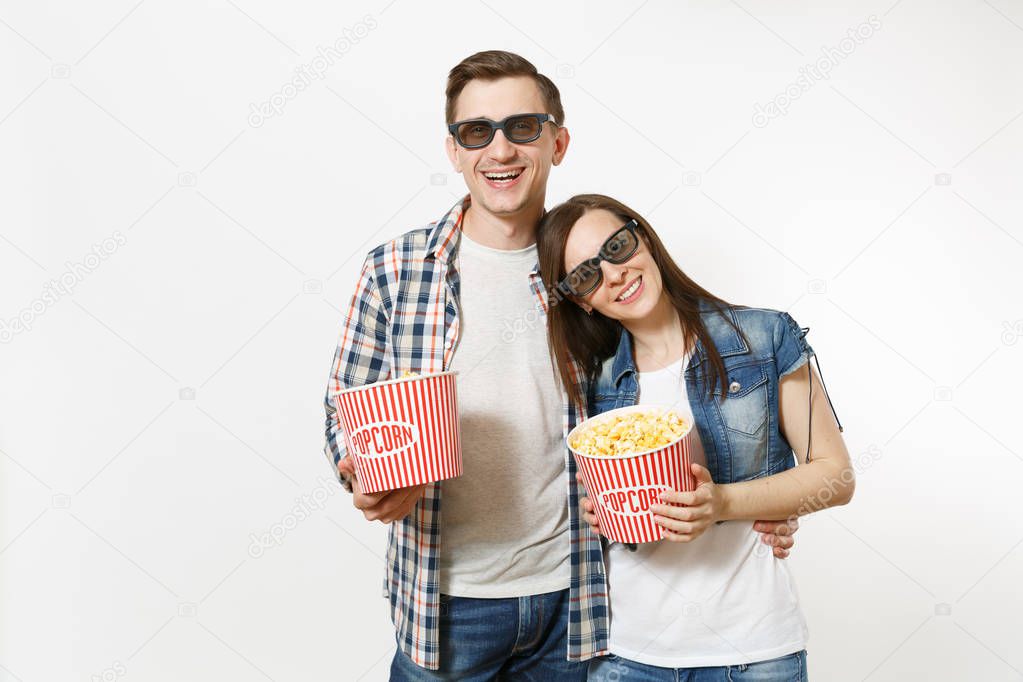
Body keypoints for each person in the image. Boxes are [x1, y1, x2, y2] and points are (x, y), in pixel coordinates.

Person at [323, 52, 800, 681]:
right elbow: (343, 410)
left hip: (582, 600)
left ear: (558, 141)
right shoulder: (397, 270)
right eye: (477, 132)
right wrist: (362, 474)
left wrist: (755, 496)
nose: (500, 149)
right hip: (444, 599)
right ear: (454, 151)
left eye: (523, 127)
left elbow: (672, 385)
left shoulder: (591, 272)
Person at [536, 194, 855, 681]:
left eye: (617, 248)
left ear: (643, 238)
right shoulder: (590, 384)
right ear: (581, 299)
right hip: (626, 656)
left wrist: (724, 502)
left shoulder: (764, 337)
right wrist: (595, 513)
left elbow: (836, 475)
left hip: (756, 652)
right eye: (586, 275)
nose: (614, 274)